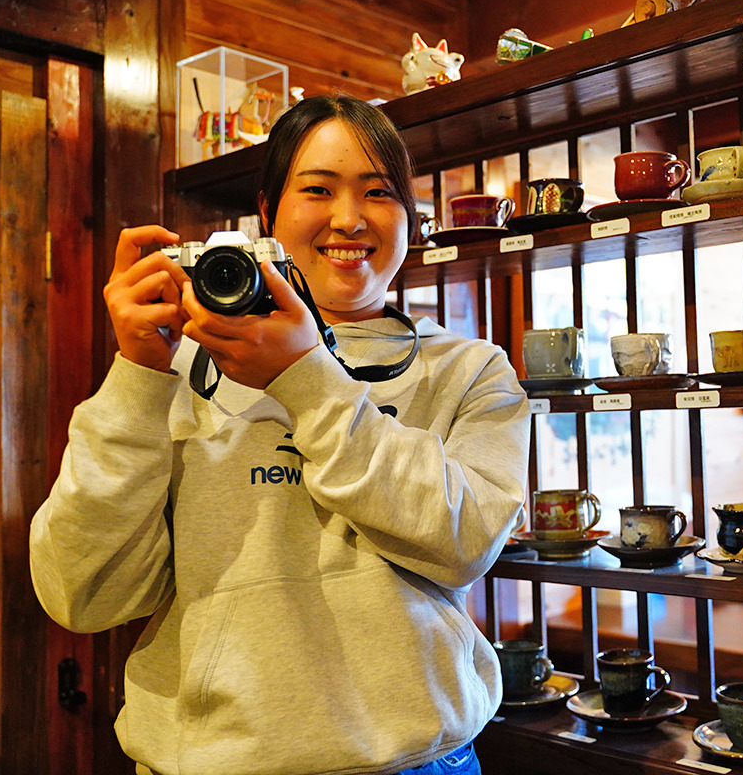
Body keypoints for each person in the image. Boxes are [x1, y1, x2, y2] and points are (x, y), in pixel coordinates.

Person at [30, 96, 531, 775]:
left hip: (416, 760)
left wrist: (305, 377)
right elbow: (84, 594)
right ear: (267, 214)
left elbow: (465, 541)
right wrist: (136, 375)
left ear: (409, 218)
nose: (348, 219)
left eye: (379, 193)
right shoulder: (176, 370)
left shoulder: (470, 371)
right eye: (318, 190)